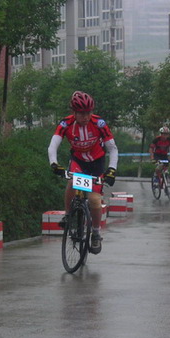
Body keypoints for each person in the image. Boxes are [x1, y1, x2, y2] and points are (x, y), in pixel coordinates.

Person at [48, 91, 118, 254]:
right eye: (81, 113)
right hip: (78, 161)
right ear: (74, 112)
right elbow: (53, 145)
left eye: (88, 112)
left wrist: (112, 169)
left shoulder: (99, 123)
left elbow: (113, 148)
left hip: (96, 163)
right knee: (72, 182)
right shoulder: (66, 124)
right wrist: (54, 164)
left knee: (94, 200)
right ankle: (68, 215)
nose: (86, 117)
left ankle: (95, 233)